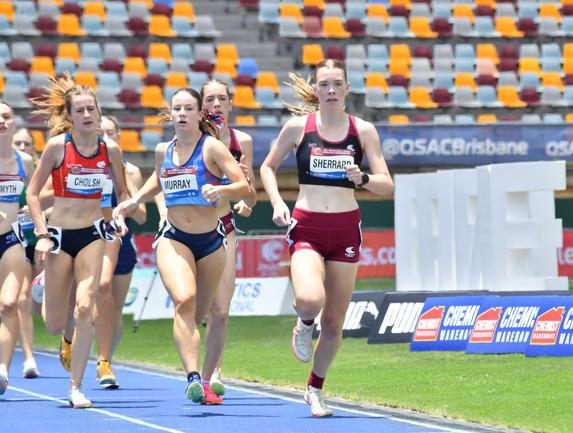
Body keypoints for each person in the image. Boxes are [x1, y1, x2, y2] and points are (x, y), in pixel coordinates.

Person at [260, 60, 393, 417]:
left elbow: (387, 184)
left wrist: (362, 177)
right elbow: (267, 167)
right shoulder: (297, 128)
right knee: (308, 299)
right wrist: (276, 202)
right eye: (324, 84)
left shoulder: (363, 131)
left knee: (334, 323)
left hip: (346, 229)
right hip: (307, 226)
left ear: (347, 89)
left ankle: (315, 389)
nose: (331, 90)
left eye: (337, 84)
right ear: (315, 90)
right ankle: (303, 325)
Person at [113, 88, 249, 405]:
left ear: (199, 113)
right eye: (177, 108)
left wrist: (222, 190)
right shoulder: (164, 150)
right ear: (171, 114)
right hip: (174, 236)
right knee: (184, 301)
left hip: (212, 239)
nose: (182, 113)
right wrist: (135, 200)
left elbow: (243, 185)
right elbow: (160, 179)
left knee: (203, 312)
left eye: (189, 108)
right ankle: (191, 378)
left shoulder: (212, 147)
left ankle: (204, 379)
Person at [26, 75, 128, 408]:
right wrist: (41, 234)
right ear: (71, 115)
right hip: (58, 237)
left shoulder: (109, 150)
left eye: (91, 109)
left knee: (86, 306)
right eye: (80, 110)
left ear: (99, 113)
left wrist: (119, 216)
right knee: (55, 323)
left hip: (92, 235)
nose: (87, 115)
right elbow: (32, 194)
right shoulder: (58, 147)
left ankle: (76, 387)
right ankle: (47, 288)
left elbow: (121, 193)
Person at [199, 80, 257, 397]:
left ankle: (214, 371)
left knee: (221, 310)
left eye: (223, 99)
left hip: (224, 226)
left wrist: (247, 197)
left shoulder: (242, 141)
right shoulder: (193, 139)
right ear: (202, 106)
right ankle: (195, 370)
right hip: (192, 228)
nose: (217, 105)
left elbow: (252, 193)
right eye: (211, 99)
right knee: (197, 308)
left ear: (231, 104)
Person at [92, 115, 146, 389]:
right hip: (92, 239)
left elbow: (142, 215)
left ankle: (106, 362)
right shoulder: (89, 167)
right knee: (96, 298)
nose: (106, 138)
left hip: (122, 242)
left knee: (113, 308)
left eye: (110, 133)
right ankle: (100, 360)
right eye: (101, 134)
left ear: (119, 136)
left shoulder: (130, 170)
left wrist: (128, 205)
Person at [0, 102, 35, 394]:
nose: (1, 121)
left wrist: (39, 218)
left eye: (6, 116)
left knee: (9, 304)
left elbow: (35, 196)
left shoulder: (25, 161)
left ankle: (2, 370)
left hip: (11, 237)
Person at [11, 128, 40, 379]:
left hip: (37, 238)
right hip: (14, 239)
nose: (21, 147)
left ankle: (68, 340)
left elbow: (41, 198)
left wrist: (40, 216)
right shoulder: (6, 165)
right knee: (20, 299)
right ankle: (29, 357)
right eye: (17, 143)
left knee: (46, 304)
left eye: (26, 143)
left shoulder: (32, 167)